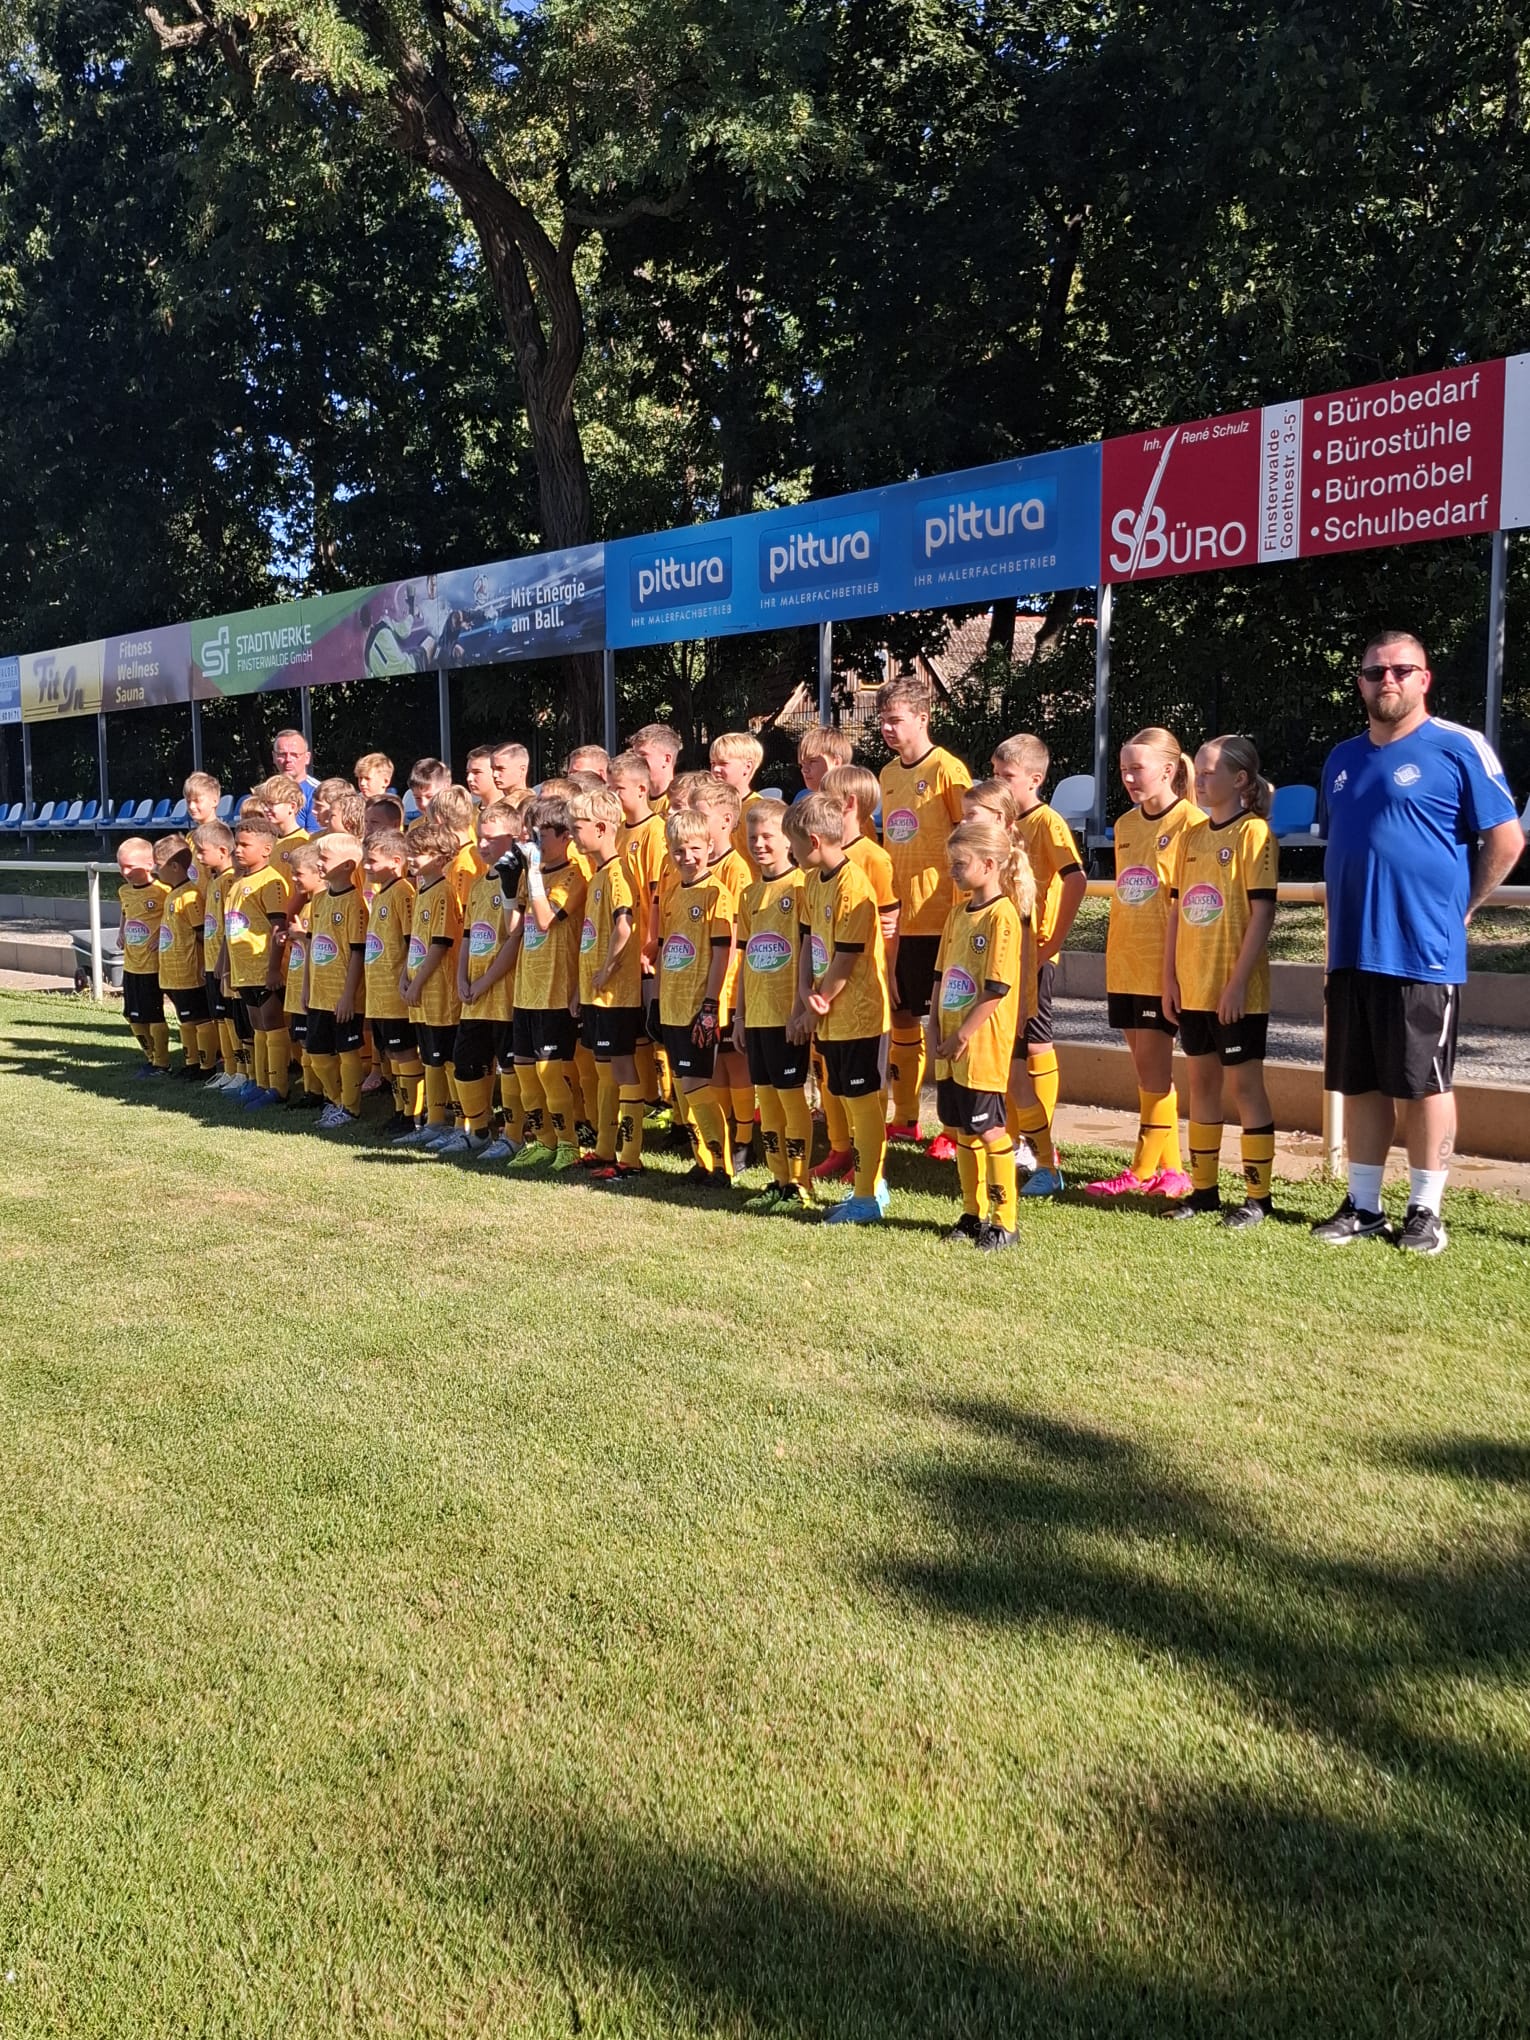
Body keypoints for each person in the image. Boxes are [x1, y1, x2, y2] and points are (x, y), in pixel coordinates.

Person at [1313, 630, 1524, 1253]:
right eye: (1375, 672)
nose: (1388, 680)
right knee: (1361, 1082)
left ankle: (1425, 1210)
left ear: (1424, 679)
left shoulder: (1458, 746)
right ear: (1360, 683)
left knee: (1424, 1084)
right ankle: (1364, 1205)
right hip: (1351, 948)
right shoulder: (1341, 759)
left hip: (1421, 949)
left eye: (1401, 670)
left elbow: (1506, 840)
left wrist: (1464, 907)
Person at [1161, 738, 1279, 1229]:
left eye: (1210, 772)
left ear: (1240, 779)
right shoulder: (1192, 835)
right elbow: (1176, 911)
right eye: (1200, 772)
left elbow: (1262, 914)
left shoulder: (1254, 833)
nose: (1201, 780)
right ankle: (1204, 1191)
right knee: (1201, 1084)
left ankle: (1258, 1197)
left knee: (1245, 1087)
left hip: (1236, 992)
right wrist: (1169, 978)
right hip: (1193, 987)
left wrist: (1236, 984)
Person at [1087, 728, 1201, 1199]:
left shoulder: (1193, 824)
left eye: (1138, 768)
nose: (1130, 778)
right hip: (1125, 961)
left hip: (1163, 966)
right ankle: (1171, 1169)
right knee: (1147, 1075)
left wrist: (1174, 972)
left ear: (1169, 770)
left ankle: (1140, 1169)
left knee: (1155, 1073)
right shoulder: (1126, 825)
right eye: (1123, 770)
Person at [875, 675, 972, 1156]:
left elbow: (970, 838)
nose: (887, 728)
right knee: (901, 1015)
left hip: (943, 918)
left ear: (922, 718)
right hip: (900, 919)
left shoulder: (947, 770)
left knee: (949, 1021)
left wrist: (963, 906)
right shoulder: (887, 774)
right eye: (883, 720)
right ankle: (906, 1118)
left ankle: (954, 1130)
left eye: (896, 719)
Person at [929, 814, 1033, 1250]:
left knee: (989, 1130)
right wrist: (935, 1024)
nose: (953, 871)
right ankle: (972, 1214)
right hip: (950, 1042)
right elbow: (941, 976)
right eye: (952, 863)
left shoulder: (1002, 916)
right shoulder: (957, 914)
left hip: (980, 1045)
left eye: (960, 863)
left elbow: (997, 988)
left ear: (989, 865)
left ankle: (1004, 1221)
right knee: (962, 1132)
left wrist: (964, 1035)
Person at [788, 792, 892, 1225]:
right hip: (830, 1015)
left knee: (863, 1103)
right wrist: (803, 995)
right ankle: (867, 1187)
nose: (791, 853)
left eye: (793, 845)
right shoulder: (813, 881)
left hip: (859, 1015)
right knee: (847, 1100)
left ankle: (868, 1195)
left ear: (813, 842)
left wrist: (815, 1008)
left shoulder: (854, 886)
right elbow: (807, 943)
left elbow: (846, 960)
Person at [990, 733, 1087, 1192]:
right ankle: (1015, 1139)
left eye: (1007, 776)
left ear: (1035, 779)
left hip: (1035, 954)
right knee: (1009, 1051)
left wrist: (1052, 943)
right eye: (995, 774)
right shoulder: (1001, 823)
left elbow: (1076, 879)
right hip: (1004, 953)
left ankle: (1042, 1149)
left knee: (1034, 1044)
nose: (999, 783)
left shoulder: (1047, 822)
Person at [814, 764, 898, 1184]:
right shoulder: (818, 861)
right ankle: (839, 1147)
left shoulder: (873, 858)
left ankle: (870, 1166)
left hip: (860, 987)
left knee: (865, 1082)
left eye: (825, 797)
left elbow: (889, 923)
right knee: (830, 1076)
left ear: (848, 804)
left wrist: (890, 974)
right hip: (825, 984)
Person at [733, 799, 814, 1211]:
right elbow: (746, 958)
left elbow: (810, 953)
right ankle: (779, 1180)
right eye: (753, 837)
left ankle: (800, 1185)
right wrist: (740, 1014)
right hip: (757, 1016)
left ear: (788, 840)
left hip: (788, 1015)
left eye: (768, 836)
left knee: (790, 1098)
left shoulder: (802, 887)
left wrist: (802, 1009)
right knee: (767, 1102)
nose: (759, 844)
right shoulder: (749, 894)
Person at [568, 785, 646, 1178]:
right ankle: (604, 1148)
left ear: (600, 828)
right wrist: (580, 987)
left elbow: (624, 927)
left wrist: (607, 970)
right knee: (604, 1069)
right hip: (595, 994)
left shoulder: (617, 873)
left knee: (621, 1067)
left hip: (617, 994)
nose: (572, 834)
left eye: (576, 827)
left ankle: (630, 1157)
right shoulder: (598, 873)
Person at [505, 796, 587, 1172]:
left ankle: (568, 1143)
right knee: (523, 1069)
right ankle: (542, 1140)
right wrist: (510, 889)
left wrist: (534, 873)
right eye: (530, 834)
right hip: (527, 988)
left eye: (539, 835)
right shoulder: (531, 876)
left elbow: (544, 920)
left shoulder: (573, 876)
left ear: (565, 835)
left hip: (556, 989)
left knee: (548, 1071)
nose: (532, 842)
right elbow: (516, 929)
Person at [655, 806, 736, 1180]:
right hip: (672, 1007)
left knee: (697, 1086)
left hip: (697, 1008)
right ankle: (702, 1161)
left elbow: (722, 954)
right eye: (678, 850)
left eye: (694, 849)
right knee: (683, 1089)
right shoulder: (673, 891)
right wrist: (656, 1000)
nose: (687, 857)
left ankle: (722, 1166)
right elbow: (666, 949)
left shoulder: (716, 894)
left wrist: (710, 1005)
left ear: (709, 847)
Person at [448, 801, 523, 1159]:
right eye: (480, 837)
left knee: (509, 1067)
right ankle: (477, 1131)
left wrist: (485, 981)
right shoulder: (478, 884)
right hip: (474, 995)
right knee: (465, 1063)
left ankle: (513, 1135)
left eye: (492, 838)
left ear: (515, 837)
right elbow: (467, 936)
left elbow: (515, 939)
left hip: (503, 994)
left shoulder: (518, 883)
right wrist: (462, 978)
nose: (483, 845)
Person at [394, 817, 464, 1148]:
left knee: (447, 1058)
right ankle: (434, 1121)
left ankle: (461, 1121)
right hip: (420, 991)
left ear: (439, 857)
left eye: (418, 852)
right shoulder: (422, 890)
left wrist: (419, 982)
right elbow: (416, 943)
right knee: (430, 1058)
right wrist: (404, 976)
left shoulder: (444, 892)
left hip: (439, 992)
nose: (410, 858)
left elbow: (440, 944)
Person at [220, 811, 292, 1107]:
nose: (237, 850)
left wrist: (274, 968)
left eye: (244, 845)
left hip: (264, 968)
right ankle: (261, 1082)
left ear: (266, 849)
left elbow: (278, 928)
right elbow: (231, 929)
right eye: (236, 844)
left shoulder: (271, 882)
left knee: (272, 1023)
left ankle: (279, 1087)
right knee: (257, 1026)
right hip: (243, 970)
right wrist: (226, 965)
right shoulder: (237, 882)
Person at [305, 832, 369, 1130]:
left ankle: (351, 1108)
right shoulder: (318, 899)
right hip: (319, 993)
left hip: (344, 998)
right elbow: (312, 946)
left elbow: (358, 953)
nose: (318, 863)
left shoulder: (355, 904)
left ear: (347, 866)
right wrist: (307, 986)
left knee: (347, 1052)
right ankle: (335, 1099)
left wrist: (348, 996)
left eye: (324, 858)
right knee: (317, 1053)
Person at [363, 830, 423, 1137]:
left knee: (404, 1053)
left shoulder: (403, 892)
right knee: (392, 1055)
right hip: (380, 994)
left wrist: (405, 978)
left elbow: (413, 941)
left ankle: (414, 1115)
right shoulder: (382, 893)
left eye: (372, 861)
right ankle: (400, 1110)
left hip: (396, 993)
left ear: (397, 861)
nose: (366, 866)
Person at [152, 833, 216, 1076]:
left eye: (158, 865)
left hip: (189, 974)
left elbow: (201, 934)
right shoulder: (173, 893)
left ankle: (207, 1065)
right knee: (185, 1019)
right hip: (173, 973)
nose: (155, 871)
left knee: (200, 1019)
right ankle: (191, 1062)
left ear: (175, 867)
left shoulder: (190, 896)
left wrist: (203, 964)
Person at [191, 819, 242, 1089]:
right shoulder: (214, 879)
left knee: (232, 1020)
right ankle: (229, 1069)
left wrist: (224, 961)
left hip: (225, 964)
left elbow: (229, 928)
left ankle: (241, 1071)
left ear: (223, 851)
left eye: (202, 851)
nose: (198, 857)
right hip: (212, 962)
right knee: (220, 1019)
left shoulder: (230, 881)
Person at [115, 836, 170, 1077]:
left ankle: (162, 1063)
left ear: (149, 864)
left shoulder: (163, 891)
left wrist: (162, 936)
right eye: (121, 866)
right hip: (131, 963)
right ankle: (150, 1057)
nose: (124, 872)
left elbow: (172, 917)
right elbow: (125, 912)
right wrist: (121, 931)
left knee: (153, 1014)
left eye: (130, 866)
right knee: (132, 1015)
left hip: (152, 965)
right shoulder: (124, 891)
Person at [282, 844, 327, 1111]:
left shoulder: (322, 905)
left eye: (298, 874)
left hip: (314, 987)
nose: (293, 879)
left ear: (319, 873)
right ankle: (311, 1089)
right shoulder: (308, 905)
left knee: (313, 1042)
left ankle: (323, 1092)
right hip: (299, 983)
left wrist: (301, 936)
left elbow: (323, 946)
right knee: (302, 1040)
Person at [710, 731, 765, 874]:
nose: (715, 769)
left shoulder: (758, 810)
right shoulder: (709, 808)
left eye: (723, 763)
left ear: (747, 767)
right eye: (713, 763)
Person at [628, 723, 683, 814]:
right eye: (635, 755)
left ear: (666, 759)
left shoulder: (679, 804)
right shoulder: (635, 802)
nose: (636, 760)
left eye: (643, 755)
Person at [271, 728, 320, 829]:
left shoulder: (318, 792)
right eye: (282, 754)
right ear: (274, 757)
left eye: (294, 755)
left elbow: (316, 837)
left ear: (307, 757)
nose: (288, 759)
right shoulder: (265, 792)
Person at [795, 724, 853, 802]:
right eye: (802, 764)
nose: (804, 770)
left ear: (836, 762)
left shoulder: (849, 801)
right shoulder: (802, 798)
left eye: (812, 761)